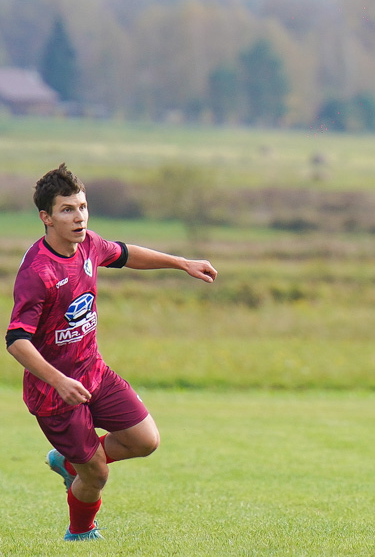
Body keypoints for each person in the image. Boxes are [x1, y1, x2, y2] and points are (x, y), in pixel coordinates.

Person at [6, 164, 218, 541]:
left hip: (94, 371)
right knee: (98, 474)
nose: (79, 216)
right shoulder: (38, 273)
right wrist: (59, 380)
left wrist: (181, 262)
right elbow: (16, 341)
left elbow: (124, 254)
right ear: (46, 218)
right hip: (55, 395)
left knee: (146, 441)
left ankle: (69, 462)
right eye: (67, 210)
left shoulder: (88, 244)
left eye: (82, 207)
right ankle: (80, 533)